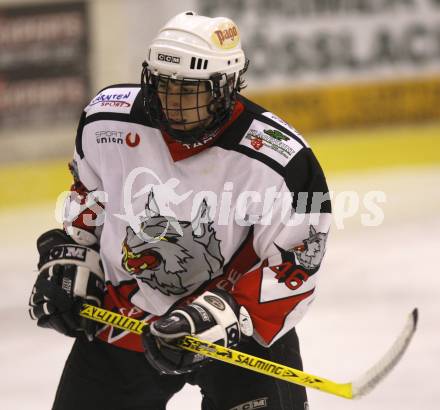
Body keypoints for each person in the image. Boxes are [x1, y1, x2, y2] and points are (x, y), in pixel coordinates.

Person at [28, 11, 331, 410]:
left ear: (227, 86)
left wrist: (226, 315)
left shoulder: (283, 159)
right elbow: (89, 197)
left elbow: (296, 266)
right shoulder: (105, 121)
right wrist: (74, 253)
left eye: (190, 91)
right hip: (128, 317)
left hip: (236, 337)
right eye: (164, 87)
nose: (173, 104)